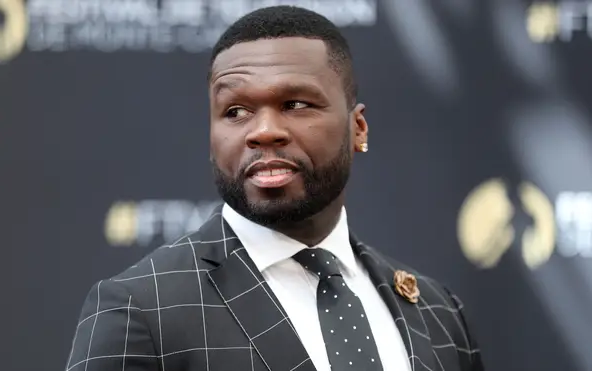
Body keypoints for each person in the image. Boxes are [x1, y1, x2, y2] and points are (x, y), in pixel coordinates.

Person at [65, 5, 484, 371]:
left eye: (295, 105)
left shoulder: (436, 312)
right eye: (236, 111)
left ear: (358, 128)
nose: (263, 131)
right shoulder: (142, 309)